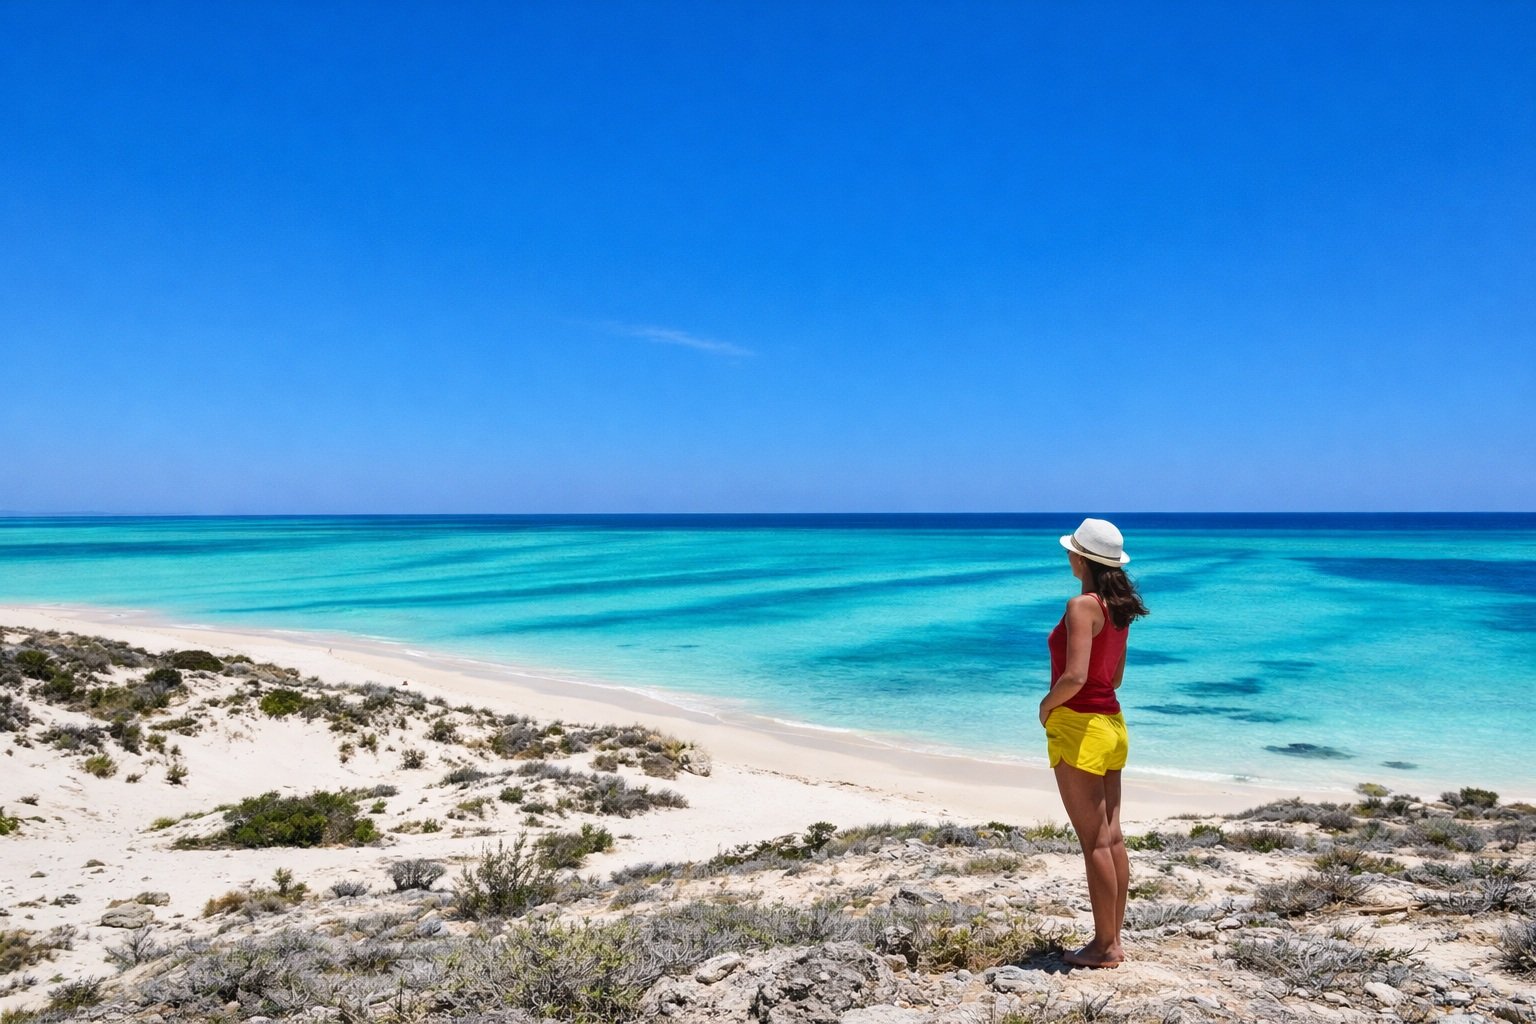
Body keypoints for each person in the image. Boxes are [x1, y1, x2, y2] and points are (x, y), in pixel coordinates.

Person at [1039, 518, 1148, 968]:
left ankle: (1105, 947)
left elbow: (1076, 676)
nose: (1068, 556)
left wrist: (1046, 705)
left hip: (1080, 726)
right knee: (1112, 838)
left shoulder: (1081, 605)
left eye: (1071, 550)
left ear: (1080, 557)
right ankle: (1112, 940)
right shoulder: (1119, 607)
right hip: (1112, 722)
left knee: (1095, 842)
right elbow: (1115, 676)